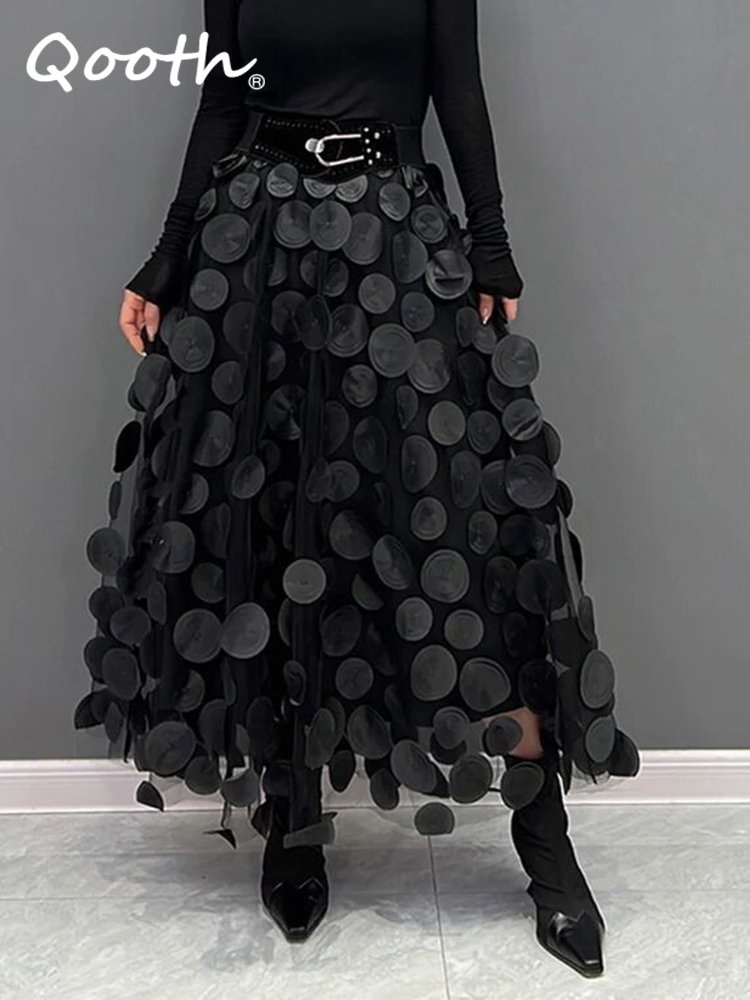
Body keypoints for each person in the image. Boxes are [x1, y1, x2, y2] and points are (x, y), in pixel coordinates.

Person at [75, 0, 641, 978]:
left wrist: (490, 239)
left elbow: (457, 87)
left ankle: (544, 843)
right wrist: (168, 255)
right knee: (276, 527)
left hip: (395, 240)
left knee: (461, 531)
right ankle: (295, 816)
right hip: (256, 247)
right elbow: (223, 102)